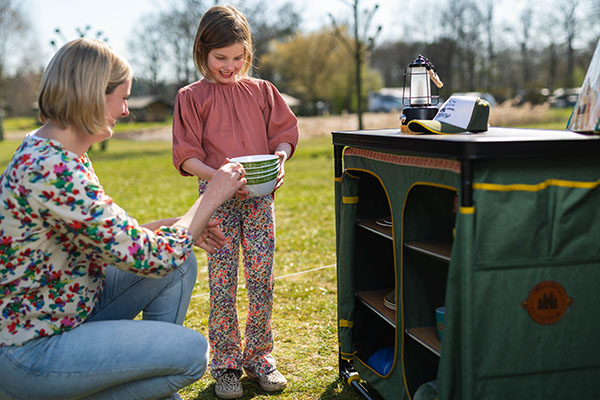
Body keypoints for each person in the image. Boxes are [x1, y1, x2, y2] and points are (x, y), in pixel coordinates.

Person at [0, 38, 246, 400]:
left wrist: (178, 224)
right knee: (191, 354)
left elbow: (116, 239)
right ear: (93, 95)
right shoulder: (51, 169)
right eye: (123, 97)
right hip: (32, 350)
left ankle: (156, 389)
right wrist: (212, 194)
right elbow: (153, 257)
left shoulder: (58, 153)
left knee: (179, 265)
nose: (127, 110)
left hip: (70, 311)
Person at [171, 5, 299, 399]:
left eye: (238, 57)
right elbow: (186, 155)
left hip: (260, 201)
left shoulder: (262, 91)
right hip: (217, 201)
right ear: (202, 53)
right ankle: (225, 364)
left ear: (248, 53)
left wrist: (279, 159)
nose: (230, 66)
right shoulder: (191, 97)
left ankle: (260, 358)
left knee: (262, 278)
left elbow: (284, 134)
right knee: (223, 283)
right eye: (220, 58)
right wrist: (220, 179)